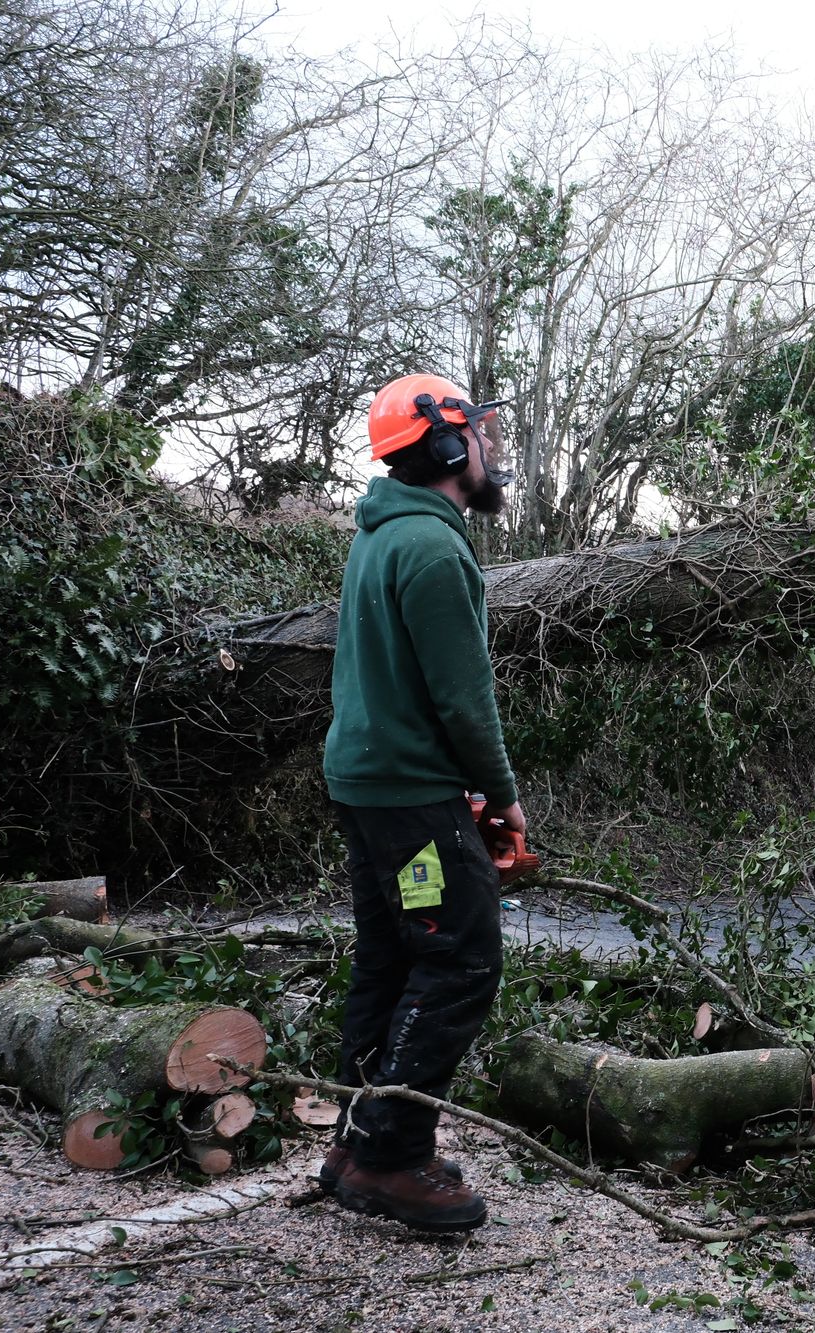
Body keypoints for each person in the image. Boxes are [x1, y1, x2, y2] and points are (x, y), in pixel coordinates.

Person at [318, 374, 523, 1232]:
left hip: (371, 786)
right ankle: (389, 1156)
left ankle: (357, 1139)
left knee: (393, 958)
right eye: (478, 434)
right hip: (410, 798)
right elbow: (464, 698)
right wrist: (504, 795)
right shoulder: (434, 550)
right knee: (461, 959)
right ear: (447, 446)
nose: (488, 448)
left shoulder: (381, 535)